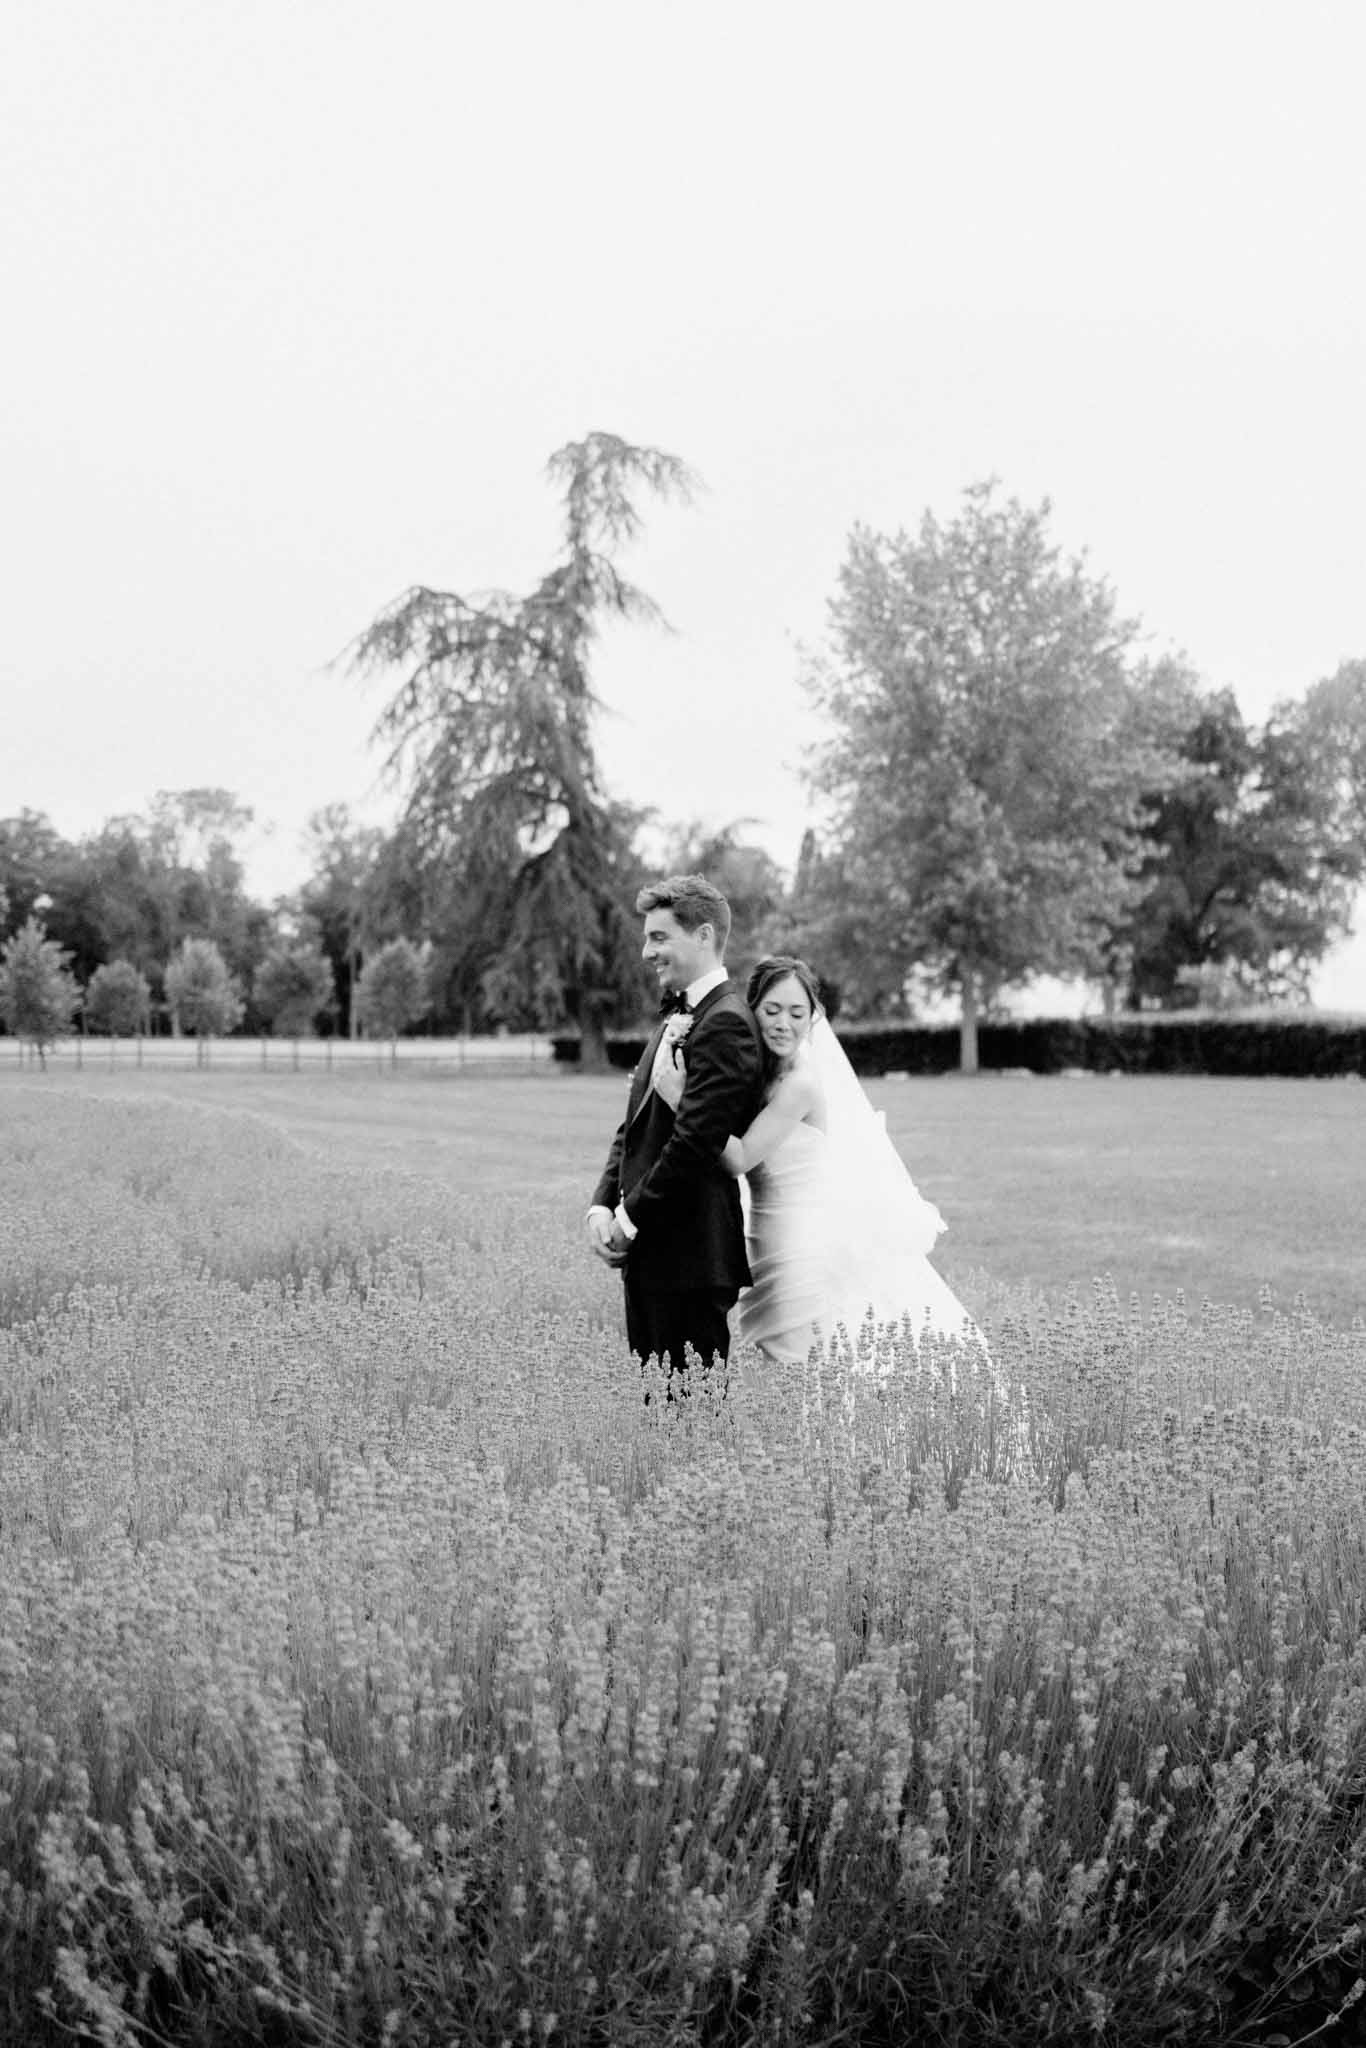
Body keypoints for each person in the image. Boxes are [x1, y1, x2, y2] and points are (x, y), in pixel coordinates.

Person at [655, 954, 982, 1367]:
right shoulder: (757, 1077)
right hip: (766, 1238)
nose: (783, 1023)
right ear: (750, 1010)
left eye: (797, 1013)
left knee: (804, 1364)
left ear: (812, 1018)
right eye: (771, 1010)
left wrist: (681, 1099)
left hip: (801, 1243)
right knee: (791, 1367)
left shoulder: (801, 1085)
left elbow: (737, 1157)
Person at [586, 874, 764, 1386]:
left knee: (694, 1428)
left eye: (659, 937)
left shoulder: (726, 1022)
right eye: (647, 938)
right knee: (659, 1422)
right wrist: (601, 1206)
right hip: (654, 1257)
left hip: (691, 1258)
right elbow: (635, 1121)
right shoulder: (678, 1012)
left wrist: (629, 1220)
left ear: (704, 936)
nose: (646, 951)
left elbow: (695, 1143)